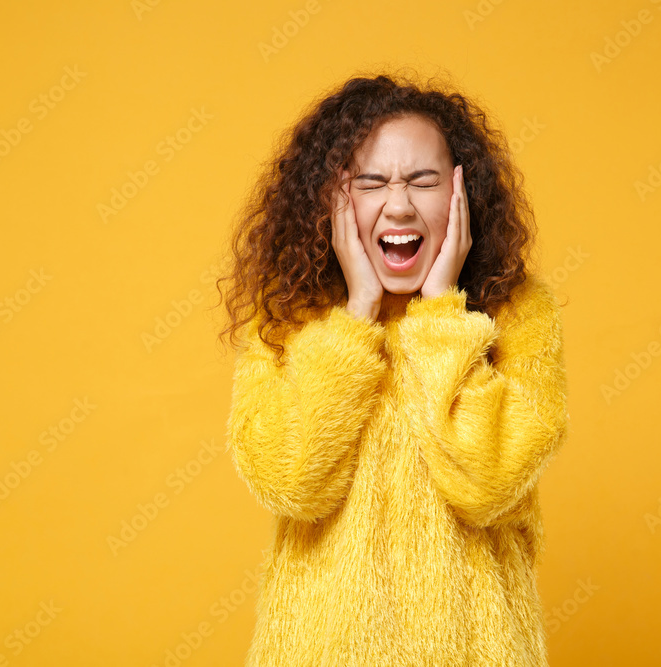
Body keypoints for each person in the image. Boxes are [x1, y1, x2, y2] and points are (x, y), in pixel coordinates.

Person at [217, 69, 570, 666]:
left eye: (423, 181)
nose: (399, 204)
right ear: (330, 199)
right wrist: (356, 317)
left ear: (463, 195)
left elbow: (488, 484)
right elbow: (292, 483)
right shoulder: (289, 319)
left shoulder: (518, 316)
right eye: (371, 182)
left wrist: (439, 314)